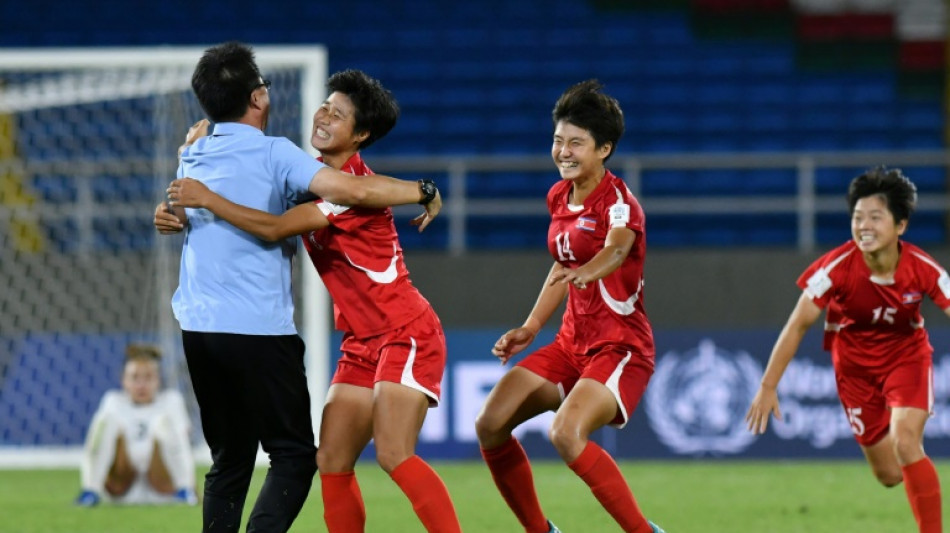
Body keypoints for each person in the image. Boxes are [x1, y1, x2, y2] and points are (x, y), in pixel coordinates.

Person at [152, 42, 442, 533]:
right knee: (318, 458)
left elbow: (305, 212)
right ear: (257, 97)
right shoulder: (286, 163)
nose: (323, 115)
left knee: (385, 454)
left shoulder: (330, 181)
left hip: (400, 329)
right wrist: (178, 203)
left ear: (361, 134)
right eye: (325, 105)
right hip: (325, 336)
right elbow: (200, 201)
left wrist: (426, 189)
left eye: (338, 113)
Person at [472, 80, 665, 533]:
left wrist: (589, 271)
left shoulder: (620, 203)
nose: (563, 151)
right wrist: (531, 325)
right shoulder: (559, 196)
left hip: (619, 348)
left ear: (604, 149)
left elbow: (617, 248)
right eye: (558, 140)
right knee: (491, 422)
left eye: (576, 143)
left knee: (565, 432)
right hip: (570, 346)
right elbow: (562, 264)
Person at [746, 167, 944, 533]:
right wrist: (768, 386)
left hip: (907, 359)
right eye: (857, 217)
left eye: (875, 217)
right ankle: (917, 476)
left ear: (900, 225)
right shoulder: (836, 269)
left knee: (906, 442)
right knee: (889, 474)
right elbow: (797, 324)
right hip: (854, 371)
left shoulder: (922, 268)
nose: (864, 226)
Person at [74, 343, 197, 507]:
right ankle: (90, 491)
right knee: (105, 422)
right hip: (122, 483)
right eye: (135, 378)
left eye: (148, 378)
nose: (141, 385)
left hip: (162, 484)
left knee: (165, 423)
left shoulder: (171, 401)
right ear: (124, 381)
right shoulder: (113, 401)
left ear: (158, 380)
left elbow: (183, 441)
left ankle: (185, 490)